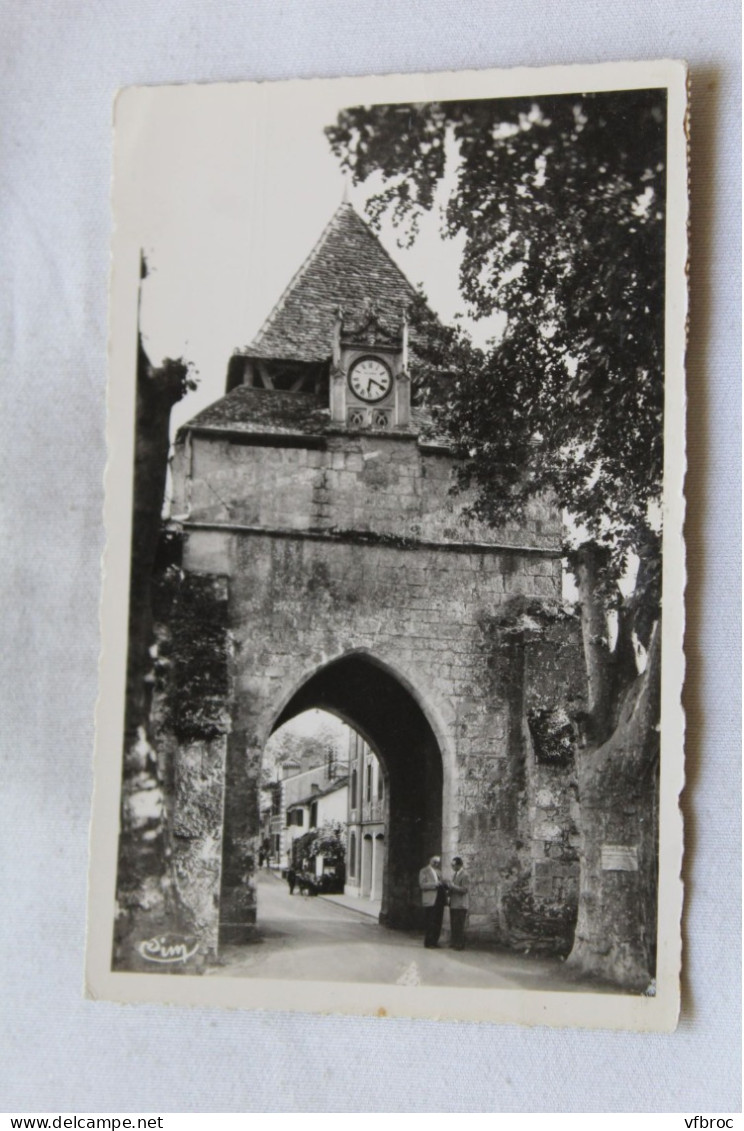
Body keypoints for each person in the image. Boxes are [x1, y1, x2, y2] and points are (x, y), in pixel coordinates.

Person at [418, 854, 447, 948]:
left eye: (438, 862)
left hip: (439, 899)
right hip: (430, 900)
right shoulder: (424, 871)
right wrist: (435, 884)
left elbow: (442, 883)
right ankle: (428, 942)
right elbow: (422, 885)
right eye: (435, 861)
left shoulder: (439, 872)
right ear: (430, 860)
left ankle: (435, 941)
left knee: (438, 921)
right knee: (430, 921)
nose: (436, 864)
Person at [448, 856, 470, 950]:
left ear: (459, 865)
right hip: (454, 903)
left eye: (453, 865)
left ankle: (460, 944)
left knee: (459, 925)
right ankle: (454, 942)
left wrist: (453, 886)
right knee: (454, 924)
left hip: (461, 904)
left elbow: (465, 889)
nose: (452, 867)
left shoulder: (465, 875)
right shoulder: (455, 874)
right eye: (451, 865)